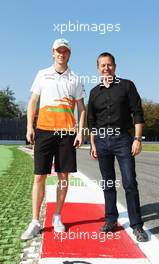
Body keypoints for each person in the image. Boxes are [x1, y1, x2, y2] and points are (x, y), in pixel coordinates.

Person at [21, 38, 85, 240]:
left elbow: (82, 108)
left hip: (66, 133)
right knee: (39, 176)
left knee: (63, 177)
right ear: (52, 52)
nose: (61, 54)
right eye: (58, 50)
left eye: (65, 51)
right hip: (44, 131)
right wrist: (30, 126)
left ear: (69, 54)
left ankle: (57, 216)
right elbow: (32, 101)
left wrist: (81, 131)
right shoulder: (42, 74)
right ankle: (34, 221)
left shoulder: (75, 78)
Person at [87, 52, 148, 242]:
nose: (106, 68)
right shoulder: (94, 92)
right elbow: (91, 122)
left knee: (130, 183)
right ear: (98, 68)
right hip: (102, 142)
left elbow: (138, 113)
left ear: (115, 66)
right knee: (108, 183)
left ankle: (137, 225)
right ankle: (111, 220)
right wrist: (93, 144)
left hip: (123, 140)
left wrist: (137, 139)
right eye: (102, 65)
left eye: (109, 65)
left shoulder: (127, 86)